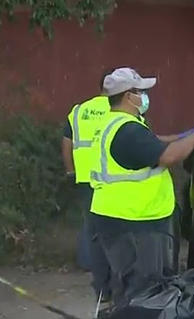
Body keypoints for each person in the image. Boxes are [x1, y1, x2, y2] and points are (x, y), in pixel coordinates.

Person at [90, 67, 194, 305]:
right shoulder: (128, 130)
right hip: (135, 221)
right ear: (128, 96)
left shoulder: (112, 123)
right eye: (140, 91)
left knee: (126, 283)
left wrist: (182, 136)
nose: (145, 97)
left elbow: (152, 143)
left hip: (113, 215)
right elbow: (167, 157)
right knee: (142, 289)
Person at [61, 71, 112, 301]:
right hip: (110, 175)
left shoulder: (79, 110)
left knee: (89, 221)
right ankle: (107, 267)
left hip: (84, 176)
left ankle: (86, 262)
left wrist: (70, 170)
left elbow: (67, 142)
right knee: (110, 222)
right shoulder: (118, 110)